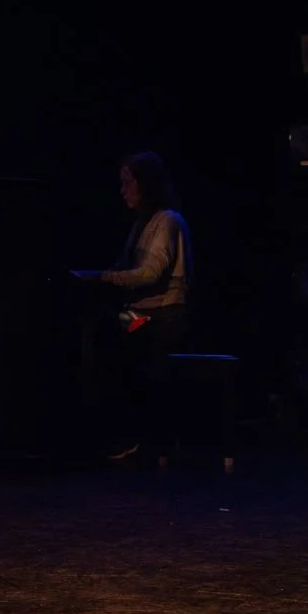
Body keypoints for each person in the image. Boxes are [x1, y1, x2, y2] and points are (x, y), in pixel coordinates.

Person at [99, 150, 193, 458]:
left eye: (128, 183)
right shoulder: (142, 223)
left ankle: (135, 434)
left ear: (146, 185)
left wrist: (110, 278)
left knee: (120, 343)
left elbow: (151, 272)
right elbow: (124, 266)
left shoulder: (166, 221)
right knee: (104, 331)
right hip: (142, 313)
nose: (123, 190)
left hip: (163, 316)